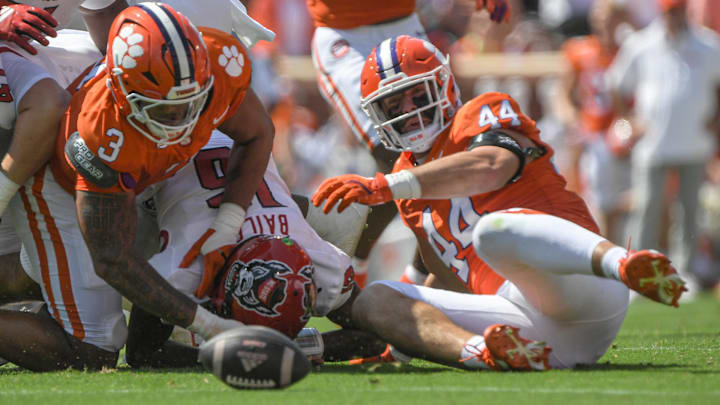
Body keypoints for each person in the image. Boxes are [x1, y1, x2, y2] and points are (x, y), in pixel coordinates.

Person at [311, 35, 687, 370]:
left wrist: (389, 186)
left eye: (418, 94)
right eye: (394, 104)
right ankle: (486, 352)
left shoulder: (477, 113)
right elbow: (447, 285)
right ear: (379, 115)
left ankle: (622, 263)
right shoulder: (408, 189)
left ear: (442, 86)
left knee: (491, 231)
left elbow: (493, 165)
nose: (410, 111)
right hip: (531, 327)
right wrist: (397, 335)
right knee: (380, 295)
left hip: (582, 284)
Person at [0, 3, 274, 371]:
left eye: (191, 103)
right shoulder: (99, 132)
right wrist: (211, 326)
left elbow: (257, 133)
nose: (180, 121)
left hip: (136, 179)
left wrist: (228, 221)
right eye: (163, 110)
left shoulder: (217, 62)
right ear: (121, 92)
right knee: (92, 349)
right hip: (60, 189)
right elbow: (112, 258)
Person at [124, 129, 375, 368]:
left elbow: (377, 333)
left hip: (236, 148)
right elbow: (141, 352)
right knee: (104, 326)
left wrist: (296, 347)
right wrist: (230, 354)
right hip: (158, 159)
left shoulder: (317, 262)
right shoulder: (184, 267)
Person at [307, 0, 511, 286]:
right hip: (345, 34)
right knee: (399, 156)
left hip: (404, 25)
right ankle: (359, 265)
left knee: (443, 149)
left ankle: (414, 277)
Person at [607, 0, 720, 295]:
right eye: (671, 10)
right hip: (652, 144)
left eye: (679, 9)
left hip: (695, 143)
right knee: (646, 207)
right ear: (662, 12)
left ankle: (686, 274)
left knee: (689, 210)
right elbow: (618, 84)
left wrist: (716, 120)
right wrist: (627, 122)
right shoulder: (641, 43)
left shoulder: (709, 44)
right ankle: (638, 273)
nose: (676, 16)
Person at [558, 0, 635, 243]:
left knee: (629, 197)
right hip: (594, 132)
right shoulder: (580, 50)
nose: (605, 24)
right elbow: (564, 94)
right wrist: (574, 121)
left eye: (611, 18)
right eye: (601, 18)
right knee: (597, 198)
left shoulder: (631, 51)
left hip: (623, 132)